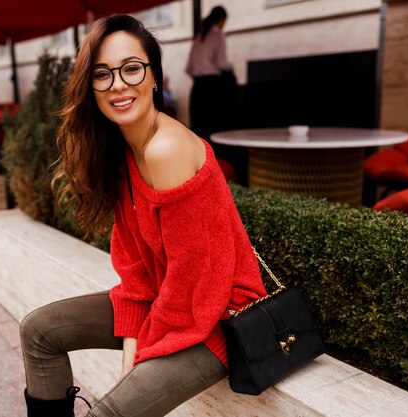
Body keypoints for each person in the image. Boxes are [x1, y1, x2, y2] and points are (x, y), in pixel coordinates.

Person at [19, 14, 266, 417]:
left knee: (109, 413)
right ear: (91, 88)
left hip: (218, 319)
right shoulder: (122, 150)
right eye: (102, 74)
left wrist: (138, 360)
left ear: (154, 76)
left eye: (131, 68)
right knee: (39, 332)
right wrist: (133, 343)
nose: (118, 84)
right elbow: (136, 268)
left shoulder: (164, 149)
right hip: (168, 303)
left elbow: (193, 283)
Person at [186, 6, 236, 150]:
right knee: (215, 132)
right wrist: (230, 68)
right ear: (221, 20)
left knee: (199, 133)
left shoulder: (198, 37)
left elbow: (189, 68)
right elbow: (222, 63)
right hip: (213, 88)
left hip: (197, 89)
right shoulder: (218, 34)